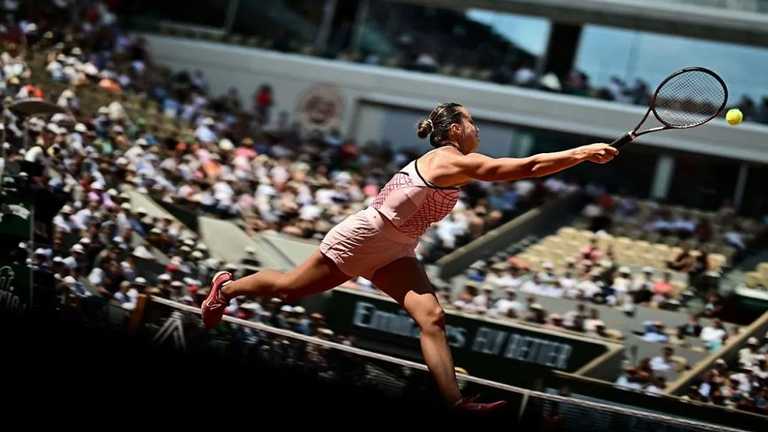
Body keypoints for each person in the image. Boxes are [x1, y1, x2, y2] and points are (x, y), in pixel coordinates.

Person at [201, 102, 618, 411]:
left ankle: (456, 404)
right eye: (472, 122)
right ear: (455, 129)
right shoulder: (446, 161)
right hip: (366, 235)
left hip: (397, 248)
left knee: (432, 318)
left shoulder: (457, 162)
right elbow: (521, 168)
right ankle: (228, 287)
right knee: (292, 289)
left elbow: (515, 169)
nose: (477, 129)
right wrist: (582, 153)